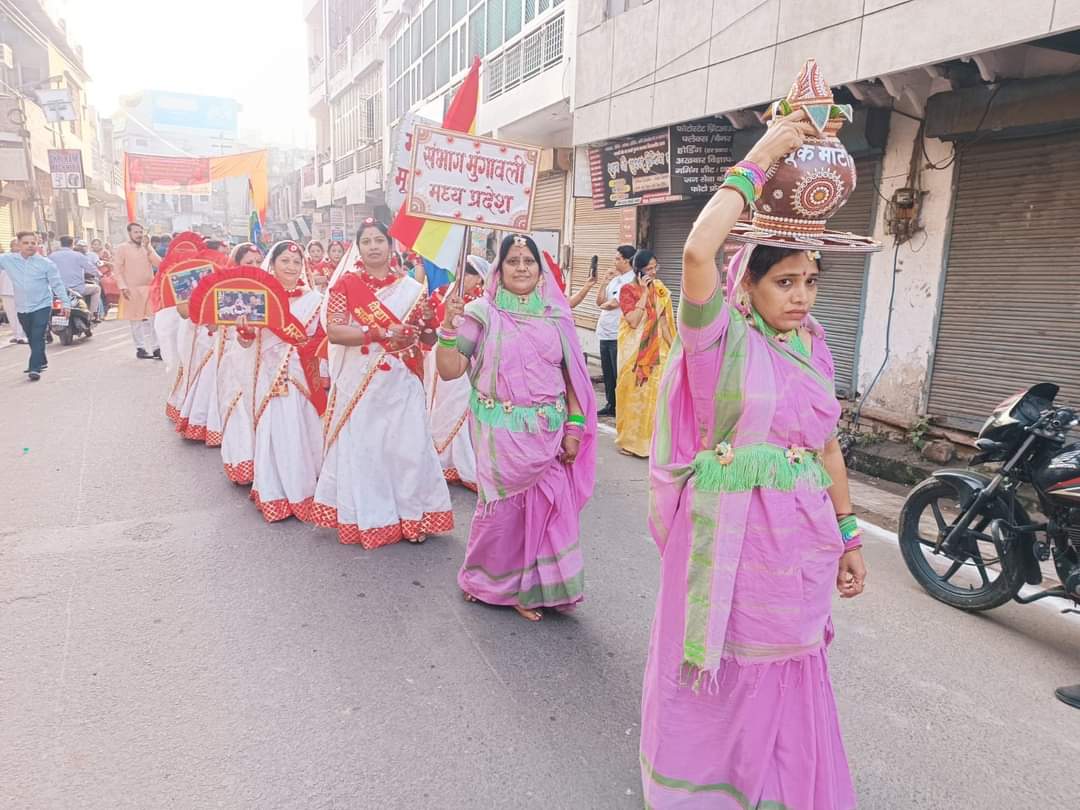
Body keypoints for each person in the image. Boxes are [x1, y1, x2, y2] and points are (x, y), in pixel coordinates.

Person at [640, 64, 875, 809]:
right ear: (747, 284)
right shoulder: (720, 342)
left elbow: (827, 446)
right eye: (785, 282)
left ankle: (779, 791)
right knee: (730, 668)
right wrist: (765, 153)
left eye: (811, 281)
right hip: (732, 545)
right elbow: (696, 254)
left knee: (791, 667)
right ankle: (715, 791)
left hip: (799, 542)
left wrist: (849, 534)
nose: (802, 296)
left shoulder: (814, 347)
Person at [437, 234, 597, 622]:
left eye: (529, 261)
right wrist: (446, 327)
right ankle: (487, 583)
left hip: (549, 432)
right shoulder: (481, 314)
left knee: (550, 511)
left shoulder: (557, 316)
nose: (521, 267)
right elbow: (450, 370)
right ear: (500, 268)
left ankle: (538, 588)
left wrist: (575, 428)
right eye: (513, 261)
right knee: (503, 515)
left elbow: (572, 379)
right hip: (500, 435)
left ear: (540, 270)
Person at [311, 217, 453, 547]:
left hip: (403, 381)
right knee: (367, 450)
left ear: (390, 246)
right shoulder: (345, 285)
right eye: (367, 241)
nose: (373, 246)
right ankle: (372, 519)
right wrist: (379, 331)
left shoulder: (412, 290)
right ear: (358, 248)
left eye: (379, 240)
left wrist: (430, 323)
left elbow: (427, 339)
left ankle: (412, 516)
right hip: (361, 382)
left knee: (408, 449)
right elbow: (335, 332)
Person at [232, 241, 325, 521]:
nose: (291, 267)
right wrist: (245, 332)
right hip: (271, 376)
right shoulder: (257, 298)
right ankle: (277, 492)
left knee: (305, 428)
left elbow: (322, 339)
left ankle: (308, 489)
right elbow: (246, 344)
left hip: (303, 375)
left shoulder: (315, 300)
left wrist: (307, 350)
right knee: (277, 431)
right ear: (272, 264)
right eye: (285, 261)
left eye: (297, 262)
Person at [424, 256, 488, 489]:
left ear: (480, 278)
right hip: (438, 356)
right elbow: (428, 329)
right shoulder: (441, 292)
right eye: (463, 269)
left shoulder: (481, 302)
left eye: (471, 273)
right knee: (438, 405)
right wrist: (428, 319)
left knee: (460, 406)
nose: (465, 276)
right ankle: (440, 457)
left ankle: (464, 461)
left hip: (465, 358)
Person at [614, 249, 674, 458]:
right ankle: (631, 443)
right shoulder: (627, 290)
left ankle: (652, 444)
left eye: (655, 267)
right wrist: (645, 294)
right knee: (634, 397)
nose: (653, 272)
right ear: (638, 270)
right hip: (635, 354)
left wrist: (676, 349)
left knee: (655, 398)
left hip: (658, 352)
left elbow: (664, 323)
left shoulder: (660, 289)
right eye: (649, 269)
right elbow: (633, 321)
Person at [217, 243, 264, 483]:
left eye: (258, 262)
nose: (255, 267)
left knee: (257, 409)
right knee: (238, 407)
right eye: (249, 262)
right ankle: (243, 463)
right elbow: (210, 324)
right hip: (232, 357)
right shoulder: (225, 292)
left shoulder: (268, 290)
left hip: (260, 361)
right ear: (237, 265)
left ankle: (263, 464)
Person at [0, 232, 70, 380]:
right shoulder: (7, 260)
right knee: (31, 336)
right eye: (26, 243)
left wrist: (66, 303)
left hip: (42, 305)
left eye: (33, 243)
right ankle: (42, 360)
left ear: (37, 245)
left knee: (38, 335)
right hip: (22, 307)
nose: (30, 246)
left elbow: (57, 284)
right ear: (18, 244)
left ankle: (34, 368)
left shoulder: (46, 264)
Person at [594, 245, 636, 417]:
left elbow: (612, 304)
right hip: (605, 332)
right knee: (608, 373)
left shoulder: (631, 281)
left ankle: (622, 408)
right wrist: (604, 282)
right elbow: (600, 301)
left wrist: (606, 304)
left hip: (619, 334)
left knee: (620, 373)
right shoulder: (615, 280)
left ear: (627, 261)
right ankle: (611, 405)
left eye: (618, 258)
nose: (614, 261)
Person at [114, 222, 162, 360]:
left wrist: (148, 248)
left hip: (148, 288)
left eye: (141, 232)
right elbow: (117, 269)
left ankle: (156, 348)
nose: (139, 235)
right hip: (131, 289)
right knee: (135, 320)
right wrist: (123, 286)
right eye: (136, 232)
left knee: (153, 319)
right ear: (129, 233)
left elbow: (159, 264)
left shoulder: (147, 247)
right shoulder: (122, 248)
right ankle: (140, 348)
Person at [50, 237, 103, 323]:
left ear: (60, 244)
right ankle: (93, 315)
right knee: (97, 289)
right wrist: (100, 275)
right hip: (77, 288)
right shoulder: (78, 255)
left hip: (57, 289)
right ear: (72, 244)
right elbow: (91, 268)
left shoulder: (52, 256)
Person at [1, 238, 27, 344]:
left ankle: (21, 336)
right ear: (11, 246)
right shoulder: (3, 257)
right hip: (6, 290)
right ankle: (16, 335)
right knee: (11, 314)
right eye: (16, 245)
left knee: (20, 313)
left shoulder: (25, 257)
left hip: (20, 290)